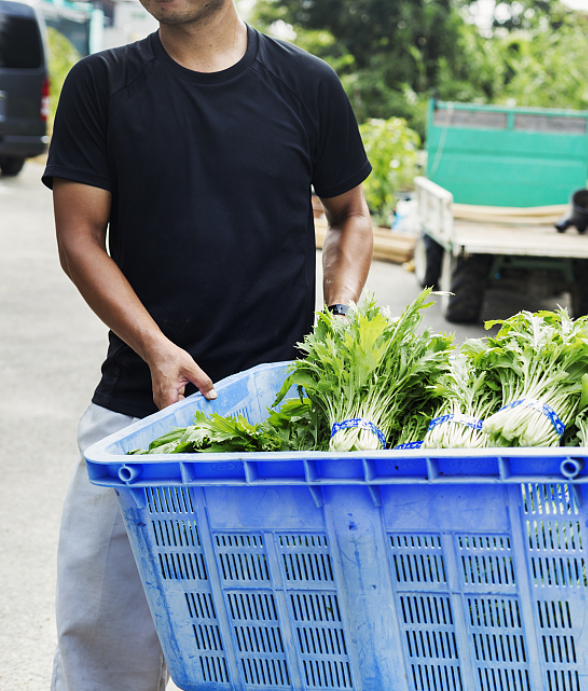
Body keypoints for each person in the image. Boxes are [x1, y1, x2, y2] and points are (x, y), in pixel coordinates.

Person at [43, 0, 374, 685]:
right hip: (136, 419)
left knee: (270, 656)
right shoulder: (100, 85)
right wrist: (155, 346)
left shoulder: (307, 83)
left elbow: (351, 215)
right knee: (99, 654)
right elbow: (79, 239)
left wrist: (340, 319)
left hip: (274, 430)